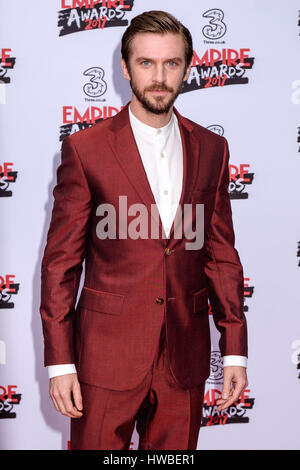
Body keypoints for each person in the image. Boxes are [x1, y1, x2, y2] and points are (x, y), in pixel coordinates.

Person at [40, 10, 248, 450]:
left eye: (171, 63)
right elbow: (61, 263)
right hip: (105, 359)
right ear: (125, 68)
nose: (159, 77)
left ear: (188, 67)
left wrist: (234, 348)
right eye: (146, 63)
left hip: (184, 358)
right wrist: (60, 363)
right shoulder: (86, 149)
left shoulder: (212, 149)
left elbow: (221, 255)